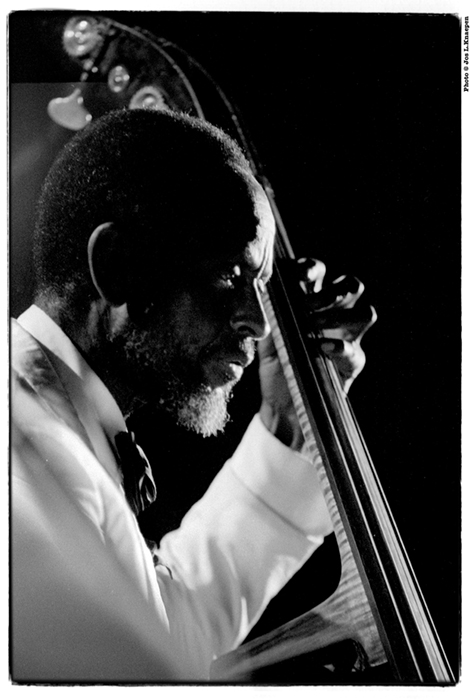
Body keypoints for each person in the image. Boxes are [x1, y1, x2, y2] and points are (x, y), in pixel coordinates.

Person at [11, 108, 372, 682]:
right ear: (118, 266)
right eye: (230, 274)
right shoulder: (24, 449)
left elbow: (165, 628)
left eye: (260, 285)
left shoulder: (54, 428)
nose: (260, 322)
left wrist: (286, 426)